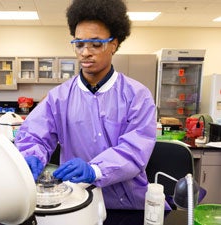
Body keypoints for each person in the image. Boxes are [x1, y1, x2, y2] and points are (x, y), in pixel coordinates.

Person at [14, 0, 157, 210]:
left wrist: (95, 170)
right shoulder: (58, 97)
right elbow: (34, 134)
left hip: (126, 204)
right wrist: (30, 156)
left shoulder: (137, 96)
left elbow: (135, 150)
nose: (85, 52)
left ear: (114, 44)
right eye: (79, 44)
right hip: (75, 200)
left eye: (96, 44)